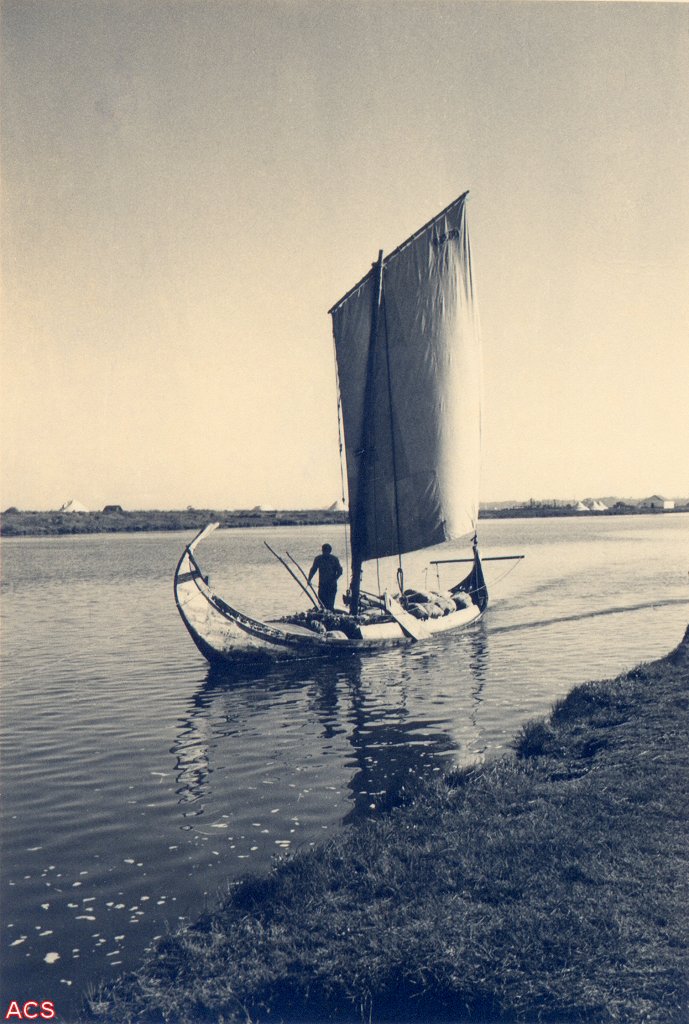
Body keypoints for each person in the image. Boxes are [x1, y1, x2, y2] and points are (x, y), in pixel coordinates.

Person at [307, 543, 343, 611]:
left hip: (332, 585)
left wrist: (335, 579)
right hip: (322, 585)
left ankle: (330, 613)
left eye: (327, 551)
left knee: (330, 604)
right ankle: (324, 613)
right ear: (322, 551)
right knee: (321, 602)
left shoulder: (334, 559)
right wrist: (309, 579)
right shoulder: (318, 559)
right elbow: (313, 569)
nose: (325, 553)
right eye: (324, 551)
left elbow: (340, 571)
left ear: (330, 551)